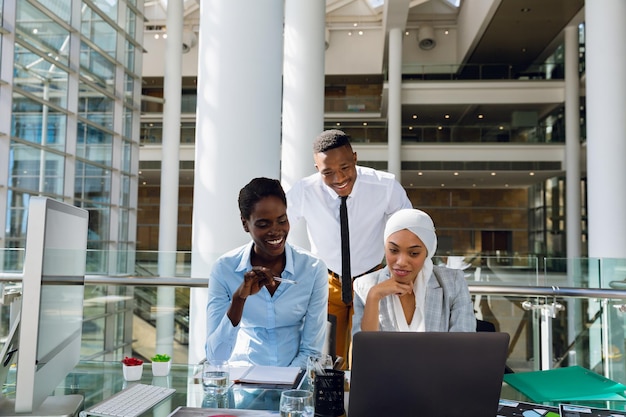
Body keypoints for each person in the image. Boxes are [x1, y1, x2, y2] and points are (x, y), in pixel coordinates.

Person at [286, 129, 412, 363]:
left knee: (366, 357)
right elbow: (278, 229)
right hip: (327, 284)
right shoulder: (304, 191)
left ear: (355, 157)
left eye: (345, 168)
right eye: (328, 172)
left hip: (373, 281)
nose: (339, 178)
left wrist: (401, 272)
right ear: (317, 170)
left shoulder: (385, 186)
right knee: (327, 359)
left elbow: (409, 231)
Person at [205, 177, 328, 369]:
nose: (275, 231)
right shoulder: (224, 269)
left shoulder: (313, 269)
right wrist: (239, 300)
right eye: (263, 224)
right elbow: (216, 357)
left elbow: (311, 351)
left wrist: (284, 383)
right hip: (242, 379)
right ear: (245, 224)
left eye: (282, 220)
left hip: (294, 382)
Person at [352, 208, 476, 334]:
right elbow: (363, 349)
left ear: (427, 253)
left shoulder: (453, 283)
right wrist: (374, 296)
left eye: (414, 253)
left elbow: (463, 345)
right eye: (393, 250)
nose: (401, 262)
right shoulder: (364, 286)